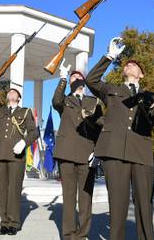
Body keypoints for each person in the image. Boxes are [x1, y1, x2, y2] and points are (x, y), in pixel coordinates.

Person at [85, 38, 154, 240]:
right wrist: (109, 56)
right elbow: (91, 80)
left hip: (141, 152)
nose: (129, 65)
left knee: (145, 204)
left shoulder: (150, 98)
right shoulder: (111, 90)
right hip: (114, 150)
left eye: (134, 65)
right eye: (127, 64)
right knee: (117, 204)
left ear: (141, 74)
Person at [52, 59, 103, 239]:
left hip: (86, 154)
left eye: (78, 76)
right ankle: (68, 235)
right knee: (69, 197)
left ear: (84, 81)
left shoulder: (93, 102)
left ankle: (82, 235)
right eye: (73, 77)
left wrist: (97, 152)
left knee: (85, 199)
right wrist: (63, 78)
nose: (76, 78)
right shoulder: (65, 100)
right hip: (66, 153)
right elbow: (55, 100)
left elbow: (100, 127)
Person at [0, 88, 38, 235]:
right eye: (9, 92)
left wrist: (24, 143)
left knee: (14, 190)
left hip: (17, 157)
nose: (10, 93)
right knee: (2, 191)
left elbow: (34, 132)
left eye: (14, 92)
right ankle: (4, 223)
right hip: (0, 155)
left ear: (18, 98)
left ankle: (14, 223)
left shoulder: (25, 112)